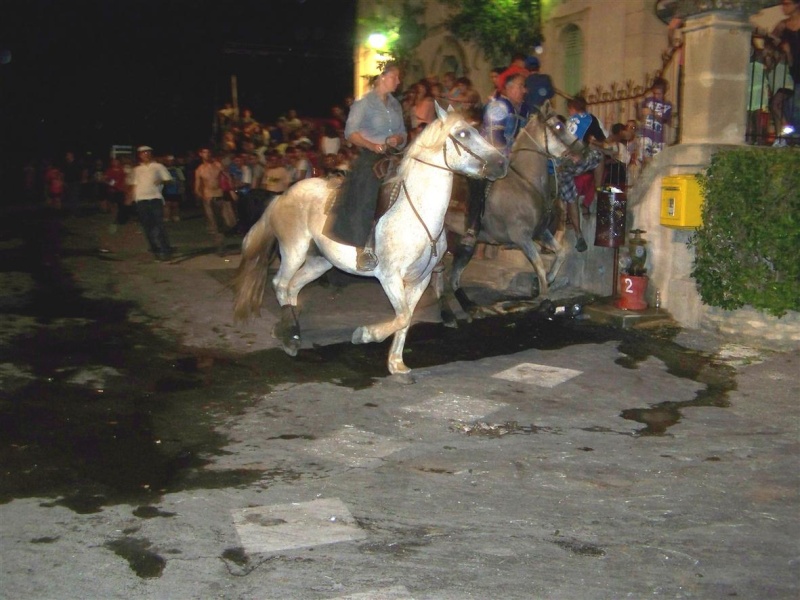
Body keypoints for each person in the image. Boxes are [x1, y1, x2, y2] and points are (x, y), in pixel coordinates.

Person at [326, 62, 407, 272]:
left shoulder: (395, 105)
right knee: (368, 189)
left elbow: (403, 133)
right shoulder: (363, 103)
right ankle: (364, 247)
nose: (398, 82)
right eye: (395, 77)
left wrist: (398, 139)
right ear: (382, 78)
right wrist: (373, 145)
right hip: (370, 155)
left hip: (394, 155)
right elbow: (350, 133)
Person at [461, 72, 529, 250]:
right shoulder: (498, 107)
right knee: (479, 180)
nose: (525, 90)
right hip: (486, 154)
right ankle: (472, 227)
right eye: (521, 86)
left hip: (508, 156)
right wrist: (510, 152)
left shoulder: (521, 109)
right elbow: (494, 139)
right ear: (510, 88)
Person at [555, 96, 605, 252]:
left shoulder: (565, 124)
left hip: (561, 165)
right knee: (599, 156)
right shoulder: (589, 119)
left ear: (571, 108)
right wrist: (591, 144)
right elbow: (603, 140)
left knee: (571, 199)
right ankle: (598, 191)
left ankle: (578, 235)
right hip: (576, 160)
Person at [131, 146, 173, 261]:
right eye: (143, 153)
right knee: (147, 227)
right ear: (139, 155)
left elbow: (169, 179)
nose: (146, 155)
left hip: (155, 198)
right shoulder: (137, 170)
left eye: (148, 152)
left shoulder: (158, 166)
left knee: (159, 225)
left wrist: (162, 180)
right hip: (141, 199)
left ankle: (165, 249)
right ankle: (155, 250)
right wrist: (132, 199)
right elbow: (134, 185)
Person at [770, 0, 800, 145]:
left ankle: (790, 137)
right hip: (787, 71)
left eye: (787, 4)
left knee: (793, 107)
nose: (783, 7)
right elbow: (771, 44)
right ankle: (787, 136)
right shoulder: (782, 25)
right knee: (780, 104)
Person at [639, 77, 673, 164]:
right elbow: (639, 117)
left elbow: (666, 120)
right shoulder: (647, 101)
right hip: (646, 134)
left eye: (659, 94)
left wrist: (652, 113)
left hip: (658, 137)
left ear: (664, 93)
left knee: (657, 162)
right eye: (654, 93)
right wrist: (639, 110)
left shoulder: (667, 105)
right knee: (646, 160)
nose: (656, 96)